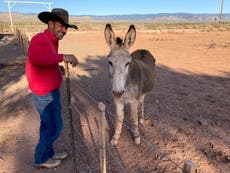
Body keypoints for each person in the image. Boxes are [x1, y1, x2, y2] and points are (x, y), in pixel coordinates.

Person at [25, 8, 78, 169]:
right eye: (61, 25)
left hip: (51, 91)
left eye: (66, 27)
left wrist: (57, 68)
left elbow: (46, 61)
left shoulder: (52, 41)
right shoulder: (40, 39)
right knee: (55, 126)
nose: (64, 30)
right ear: (50, 23)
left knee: (48, 125)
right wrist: (63, 57)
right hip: (44, 93)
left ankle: (48, 153)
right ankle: (40, 158)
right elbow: (35, 57)